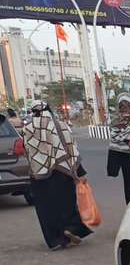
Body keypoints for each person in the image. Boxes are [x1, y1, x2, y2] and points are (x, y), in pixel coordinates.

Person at [21, 101, 92, 250]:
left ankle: (55, 239)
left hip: (39, 176)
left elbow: (28, 152)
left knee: (46, 209)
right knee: (66, 204)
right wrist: (80, 172)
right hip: (62, 172)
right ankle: (70, 229)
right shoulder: (61, 126)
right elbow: (71, 149)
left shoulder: (27, 129)